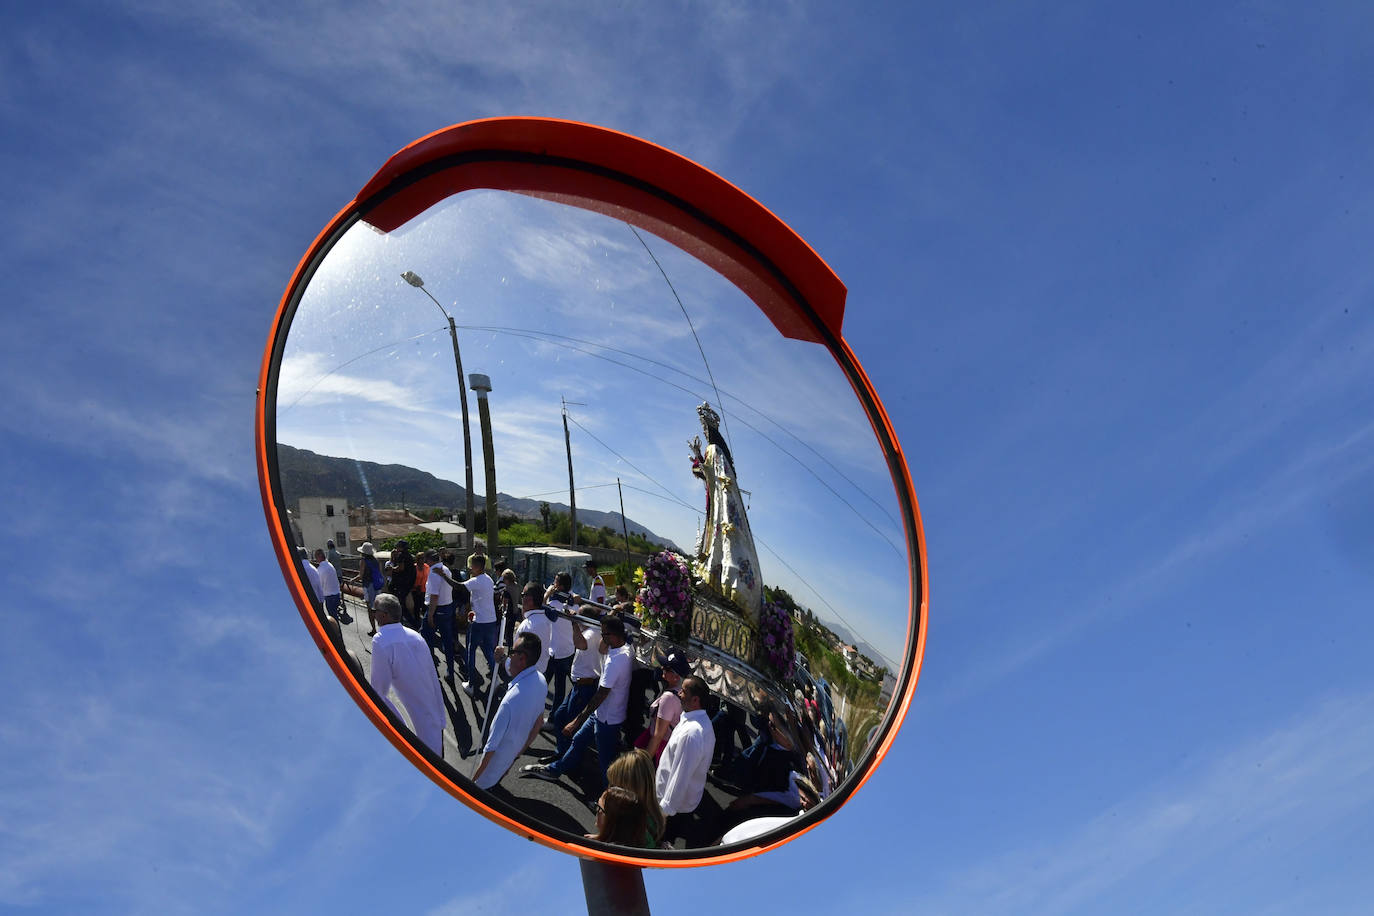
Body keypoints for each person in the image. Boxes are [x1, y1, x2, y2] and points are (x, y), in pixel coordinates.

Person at [522, 615, 631, 792]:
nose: (601, 637)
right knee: (578, 740)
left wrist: (577, 721)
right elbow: (603, 649)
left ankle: (609, 799)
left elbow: (601, 695)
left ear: (614, 636)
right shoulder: (624, 649)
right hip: (601, 715)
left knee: (606, 763)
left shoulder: (614, 662)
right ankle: (554, 770)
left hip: (607, 719)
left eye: (604, 634)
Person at [689, 401, 763, 623]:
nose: (703, 431)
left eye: (704, 428)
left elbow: (709, 474)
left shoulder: (712, 449)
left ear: (708, 430)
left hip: (720, 509)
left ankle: (716, 580)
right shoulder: (722, 452)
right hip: (720, 505)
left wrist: (697, 459)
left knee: (717, 544)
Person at [369, 593, 446, 756]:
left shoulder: (380, 640)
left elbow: (377, 692)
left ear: (383, 615)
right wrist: (441, 722)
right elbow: (433, 678)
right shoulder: (416, 636)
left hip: (409, 729)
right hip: (433, 721)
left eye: (374, 610)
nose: (373, 614)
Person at [472, 632, 548, 790]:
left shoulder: (509, 702)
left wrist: (472, 782)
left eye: (511, 652)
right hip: (505, 764)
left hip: (485, 780)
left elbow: (490, 749)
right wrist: (514, 758)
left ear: (522, 658)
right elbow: (538, 724)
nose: (509, 656)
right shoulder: (541, 681)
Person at [655, 676, 715, 843]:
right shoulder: (698, 722)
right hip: (679, 806)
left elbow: (680, 777)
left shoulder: (692, 733)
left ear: (695, 700)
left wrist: (664, 813)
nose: (679, 693)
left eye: (683, 691)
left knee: (660, 846)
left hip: (673, 809)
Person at [549, 606, 605, 745]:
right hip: (580, 684)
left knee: (570, 721)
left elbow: (580, 644)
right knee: (560, 715)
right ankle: (562, 752)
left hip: (585, 686)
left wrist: (573, 623)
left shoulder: (591, 633)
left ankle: (567, 756)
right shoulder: (593, 631)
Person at [607, 749, 665, 848]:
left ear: (628, 788)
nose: (610, 790)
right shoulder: (653, 815)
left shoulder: (632, 824)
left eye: (614, 785)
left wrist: (600, 841)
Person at [636, 651, 688, 762]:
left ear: (676, 677)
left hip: (659, 749)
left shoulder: (668, 698)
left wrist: (644, 764)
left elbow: (658, 735)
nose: (662, 667)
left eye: (668, 669)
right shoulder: (679, 692)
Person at [461, 553, 499, 696]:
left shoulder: (476, 580)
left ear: (478, 567)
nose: (470, 568)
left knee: (471, 650)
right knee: (488, 649)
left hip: (479, 622)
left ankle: (471, 684)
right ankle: (496, 679)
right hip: (490, 620)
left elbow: (458, 586)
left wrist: (443, 575)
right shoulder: (488, 579)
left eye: (472, 566)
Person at [420, 549, 459, 682]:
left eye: (426, 559)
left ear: (430, 560)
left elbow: (434, 596)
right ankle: (450, 671)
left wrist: (430, 615)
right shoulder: (445, 570)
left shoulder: (434, 573)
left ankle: (430, 668)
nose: (425, 562)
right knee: (447, 641)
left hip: (437, 609)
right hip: (448, 607)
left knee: (426, 637)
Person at [544, 572, 576, 714]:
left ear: (560, 586)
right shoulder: (572, 600)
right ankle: (555, 717)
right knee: (560, 688)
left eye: (555, 582)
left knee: (543, 684)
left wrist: (546, 594)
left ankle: (548, 718)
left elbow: (540, 608)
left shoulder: (554, 604)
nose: (552, 584)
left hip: (555, 652)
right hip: (568, 650)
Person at [353, 542, 385, 636]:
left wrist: (353, 580)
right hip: (377, 585)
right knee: (378, 607)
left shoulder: (363, 561)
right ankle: (382, 627)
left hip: (368, 586)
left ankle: (374, 629)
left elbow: (361, 575)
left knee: (370, 608)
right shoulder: (376, 560)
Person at [384, 540, 417, 628]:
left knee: (401, 605)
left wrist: (392, 569)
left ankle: (412, 624)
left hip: (402, 584)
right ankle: (404, 622)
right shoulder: (409, 555)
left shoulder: (402, 555)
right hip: (407, 583)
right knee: (401, 604)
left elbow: (400, 568)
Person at [313, 548, 351, 625]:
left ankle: (337, 634)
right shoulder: (330, 565)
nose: (316, 559)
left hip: (329, 596)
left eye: (316, 557)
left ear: (319, 557)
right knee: (335, 616)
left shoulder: (320, 569)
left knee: (333, 619)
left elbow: (320, 585)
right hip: (336, 594)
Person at [497, 568, 519, 648]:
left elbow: (505, 603)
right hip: (515, 611)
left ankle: (510, 651)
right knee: (510, 633)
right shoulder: (516, 586)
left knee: (507, 634)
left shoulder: (507, 589)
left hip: (509, 613)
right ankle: (511, 649)